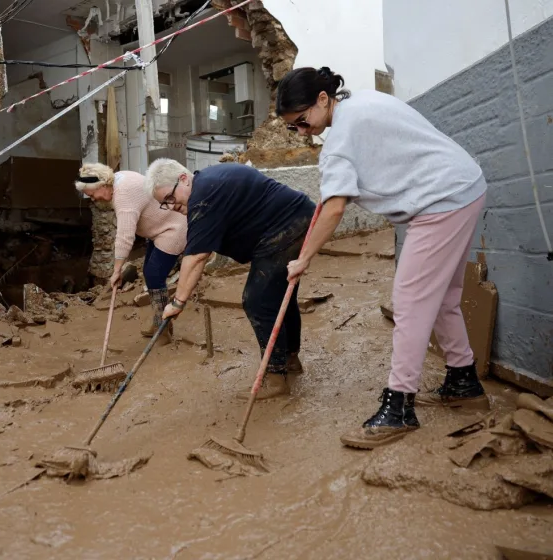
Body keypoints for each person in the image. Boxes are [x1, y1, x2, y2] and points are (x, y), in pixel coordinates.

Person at [276, 66, 490, 449]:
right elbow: (332, 198)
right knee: (442, 298)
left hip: (440, 201)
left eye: (303, 121)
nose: (303, 132)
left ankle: (399, 408)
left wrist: (303, 259)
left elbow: (335, 208)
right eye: (294, 128)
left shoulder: (340, 137)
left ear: (323, 99)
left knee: (408, 302)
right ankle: (464, 382)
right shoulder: (360, 102)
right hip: (463, 187)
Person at [146, 160, 316, 399]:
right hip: (293, 220)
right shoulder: (207, 186)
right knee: (277, 298)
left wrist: (178, 302)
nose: (170, 206)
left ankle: (276, 378)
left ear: (183, 179)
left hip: (287, 226)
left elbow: (197, 256)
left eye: (170, 198)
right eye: (164, 204)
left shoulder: (204, 194)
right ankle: (289, 360)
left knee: (257, 300)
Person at [76, 163, 187, 344]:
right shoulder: (119, 179)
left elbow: (125, 236)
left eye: (92, 195)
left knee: (154, 275)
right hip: (159, 229)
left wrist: (117, 270)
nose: (93, 199)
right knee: (150, 272)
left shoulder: (124, 194)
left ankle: (163, 329)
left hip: (173, 228)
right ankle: (161, 321)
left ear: (102, 185)